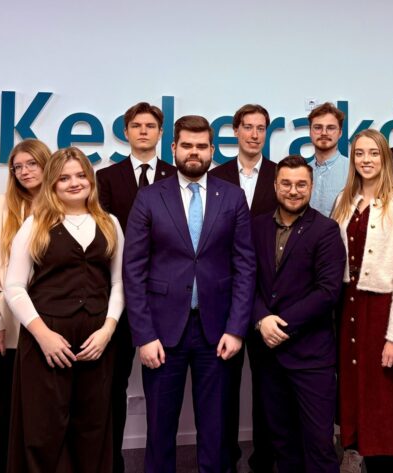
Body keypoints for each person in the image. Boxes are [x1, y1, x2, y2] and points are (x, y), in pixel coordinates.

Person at [124, 115, 255, 473]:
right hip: (162, 333)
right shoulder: (149, 197)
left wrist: (236, 329)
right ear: (174, 148)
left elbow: (245, 266)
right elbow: (133, 271)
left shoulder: (233, 197)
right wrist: (144, 335)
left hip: (218, 332)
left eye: (201, 146)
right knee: (160, 429)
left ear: (212, 150)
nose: (194, 152)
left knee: (216, 430)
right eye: (187, 146)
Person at [4, 147, 125, 472]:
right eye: (64, 178)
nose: (74, 183)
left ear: (91, 179)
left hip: (96, 342)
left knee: (92, 427)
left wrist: (108, 330)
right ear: (52, 184)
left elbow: (119, 283)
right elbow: (13, 286)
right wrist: (43, 335)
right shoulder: (35, 224)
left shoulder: (110, 223)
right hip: (46, 339)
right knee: (43, 430)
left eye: (81, 175)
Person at [331, 129, 393, 472]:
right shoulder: (344, 201)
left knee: (385, 401)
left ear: (385, 158)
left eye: (373, 153)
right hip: (349, 309)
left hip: (382, 313)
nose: (366, 160)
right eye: (359, 153)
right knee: (357, 395)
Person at [251, 155, 345, 473]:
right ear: (275, 185)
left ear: (311, 186)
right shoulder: (256, 226)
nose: (294, 191)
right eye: (287, 184)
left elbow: (328, 291)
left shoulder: (326, 230)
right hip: (269, 357)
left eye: (301, 184)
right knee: (282, 443)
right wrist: (261, 318)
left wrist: (280, 325)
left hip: (311, 357)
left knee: (319, 446)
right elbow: (246, 280)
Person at [95, 101, 176, 473]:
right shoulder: (107, 178)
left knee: (165, 389)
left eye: (150, 126)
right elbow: (104, 235)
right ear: (126, 132)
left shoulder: (178, 176)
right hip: (120, 295)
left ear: (161, 133)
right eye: (137, 125)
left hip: (166, 296)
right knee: (114, 385)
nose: (144, 131)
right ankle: (112, 462)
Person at [209, 103, 277, 473]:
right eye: (247, 127)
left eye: (260, 128)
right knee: (224, 387)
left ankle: (264, 461)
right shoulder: (215, 176)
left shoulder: (281, 175)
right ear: (235, 131)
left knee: (267, 387)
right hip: (224, 295)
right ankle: (226, 460)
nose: (253, 134)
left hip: (269, 294)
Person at [0, 138, 51, 473]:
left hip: (50, 324)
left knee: (42, 411)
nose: (24, 171)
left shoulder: (64, 205)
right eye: (17, 167)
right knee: (4, 411)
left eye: (31, 164)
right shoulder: (0, 205)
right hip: (7, 327)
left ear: (46, 164)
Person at [307, 102, 349, 217]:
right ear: (310, 132)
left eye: (331, 128)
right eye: (318, 127)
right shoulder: (303, 171)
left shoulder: (353, 171)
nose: (324, 133)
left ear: (340, 133)